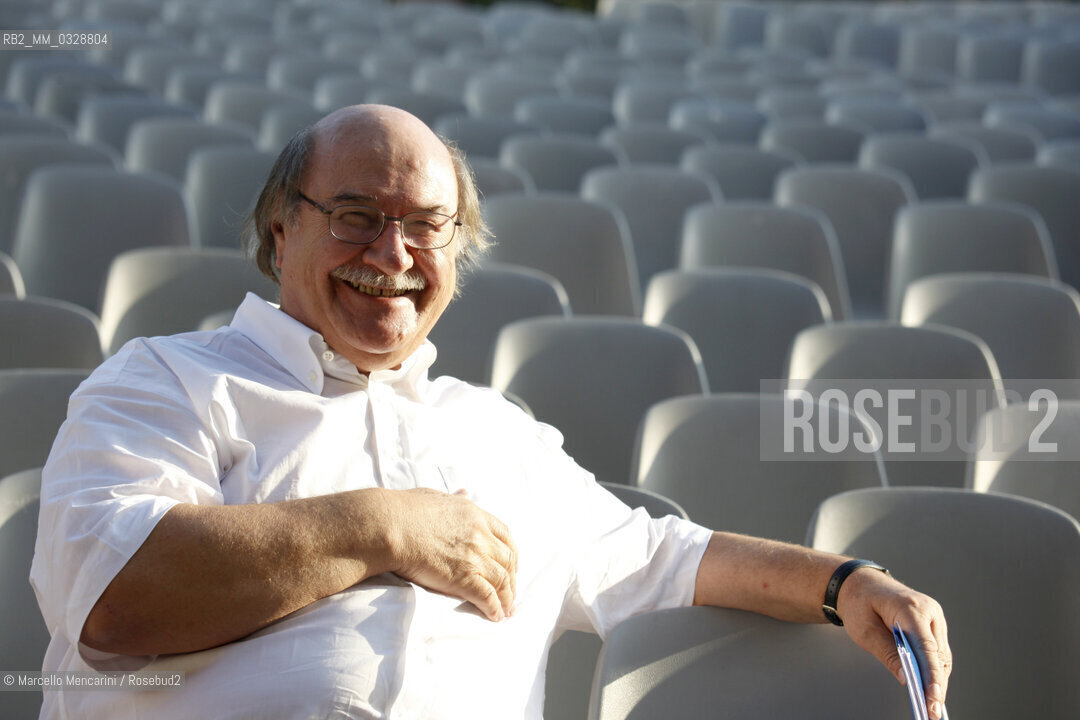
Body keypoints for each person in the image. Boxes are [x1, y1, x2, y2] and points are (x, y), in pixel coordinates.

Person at [32, 105, 951, 719]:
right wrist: (383, 525)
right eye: (354, 215)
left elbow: (660, 556)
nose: (391, 250)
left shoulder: (496, 434)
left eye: (427, 224)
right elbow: (115, 596)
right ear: (282, 233)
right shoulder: (166, 381)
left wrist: (845, 582)